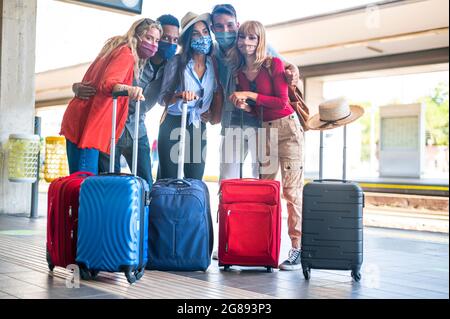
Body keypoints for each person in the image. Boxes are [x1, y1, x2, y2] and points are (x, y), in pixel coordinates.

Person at [229, 21, 305, 271]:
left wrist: (249, 96)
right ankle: (264, 246)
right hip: (265, 131)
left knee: (291, 192)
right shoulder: (239, 72)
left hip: (288, 129)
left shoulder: (274, 64)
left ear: (261, 40)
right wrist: (245, 106)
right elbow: (256, 109)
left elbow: (281, 102)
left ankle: (297, 249)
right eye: (242, 37)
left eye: (252, 38)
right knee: (264, 191)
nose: (246, 42)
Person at [71, 15, 179, 186]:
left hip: (138, 128)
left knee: (146, 183)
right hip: (114, 126)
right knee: (109, 181)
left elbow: (164, 98)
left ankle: (143, 211)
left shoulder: (171, 67)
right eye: (164, 38)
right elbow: (104, 80)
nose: (168, 43)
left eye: (174, 40)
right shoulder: (132, 55)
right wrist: (77, 87)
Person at [210, 4, 300, 181]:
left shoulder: (255, 44)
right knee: (227, 178)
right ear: (213, 29)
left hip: (261, 123)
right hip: (231, 122)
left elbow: (285, 65)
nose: (225, 30)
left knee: (260, 178)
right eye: (219, 27)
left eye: (229, 25)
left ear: (237, 24)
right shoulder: (213, 52)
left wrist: (294, 70)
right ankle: (226, 209)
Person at [157, 12, 220, 180]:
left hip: (198, 126)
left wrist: (211, 113)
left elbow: (216, 92)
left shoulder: (213, 64)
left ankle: (190, 207)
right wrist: (178, 96)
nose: (202, 37)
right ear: (187, 39)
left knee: (195, 178)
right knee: (169, 178)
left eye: (205, 32)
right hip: (173, 123)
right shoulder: (176, 62)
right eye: (195, 33)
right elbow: (162, 98)